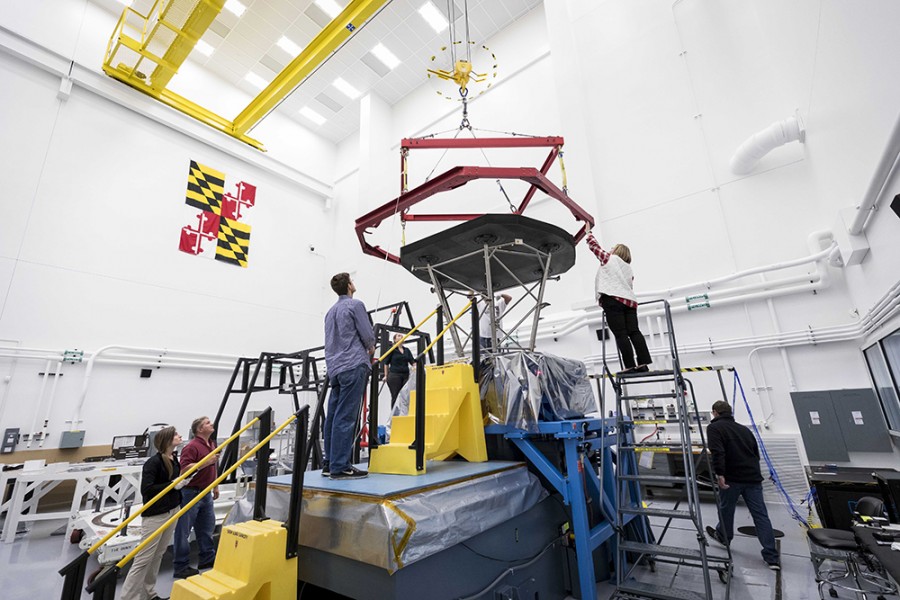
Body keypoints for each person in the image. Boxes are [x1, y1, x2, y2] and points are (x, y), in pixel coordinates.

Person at [705, 400, 781, 570]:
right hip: (752, 477)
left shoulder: (714, 428)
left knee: (726, 509)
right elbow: (755, 453)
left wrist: (720, 474)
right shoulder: (744, 429)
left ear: (715, 412)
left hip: (732, 478)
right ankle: (772, 557)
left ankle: (724, 537)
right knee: (761, 515)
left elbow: (718, 452)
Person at [120, 426, 184, 600]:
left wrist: (180, 484)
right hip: (156, 514)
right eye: (176, 434)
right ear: (168, 440)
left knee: (158, 555)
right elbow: (147, 490)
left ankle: (149, 593)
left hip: (172, 510)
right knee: (144, 558)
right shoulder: (153, 463)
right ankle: (128, 597)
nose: (180, 436)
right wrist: (172, 484)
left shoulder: (174, 458)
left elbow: (172, 483)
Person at [324, 272, 375, 480]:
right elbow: (367, 334)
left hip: (334, 369)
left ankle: (329, 463)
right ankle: (340, 466)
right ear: (350, 286)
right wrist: (371, 348)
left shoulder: (330, 312)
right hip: (354, 365)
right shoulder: (356, 306)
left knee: (333, 417)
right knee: (346, 417)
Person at [585, 232, 651, 373]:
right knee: (634, 332)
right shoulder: (629, 269)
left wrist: (588, 233)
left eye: (613, 248)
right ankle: (643, 363)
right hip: (630, 303)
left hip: (613, 300)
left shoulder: (610, 259)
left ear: (616, 251)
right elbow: (629, 286)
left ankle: (629, 366)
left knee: (620, 333)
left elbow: (594, 247)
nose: (610, 249)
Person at [173, 416, 219, 579]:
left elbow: (214, 467)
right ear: (199, 429)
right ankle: (180, 566)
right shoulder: (191, 447)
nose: (211, 424)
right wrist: (205, 462)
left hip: (206, 492)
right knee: (183, 531)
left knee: (206, 528)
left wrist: (215, 485)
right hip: (190, 493)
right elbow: (184, 470)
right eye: (207, 423)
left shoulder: (212, 444)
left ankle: (207, 559)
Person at [384, 333, 415, 407]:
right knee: (395, 395)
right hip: (395, 375)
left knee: (405, 395)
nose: (401, 336)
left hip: (405, 375)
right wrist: (386, 375)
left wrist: (415, 366)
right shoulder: (392, 350)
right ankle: (395, 416)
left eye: (401, 335)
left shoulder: (406, 350)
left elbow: (412, 362)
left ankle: (404, 414)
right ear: (395, 339)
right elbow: (386, 363)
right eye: (398, 335)